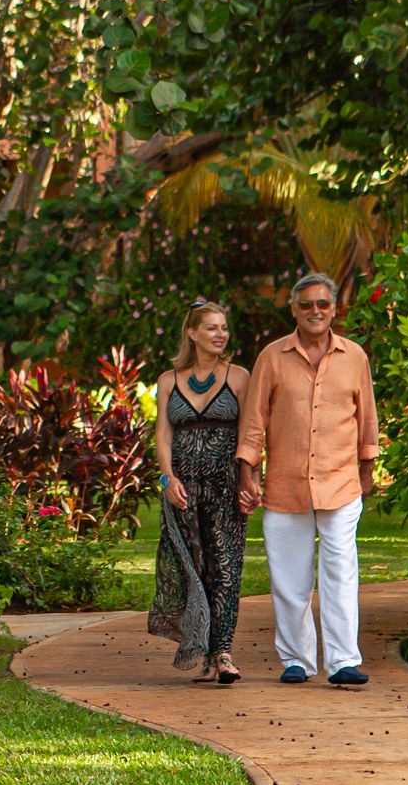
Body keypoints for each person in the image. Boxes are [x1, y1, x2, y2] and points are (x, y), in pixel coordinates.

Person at [236, 272, 380, 687]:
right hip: (285, 484)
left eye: (322, 304)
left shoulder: (354, 356)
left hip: (340, 482)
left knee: (341, 573)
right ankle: (296, 659)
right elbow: (255, 420)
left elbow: (366, 416)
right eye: (306, 305)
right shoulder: (272, 357)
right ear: (294, 310)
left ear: (335, 309)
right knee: (289, 577)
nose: (315, 311)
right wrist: (248, 469)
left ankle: (343, 662)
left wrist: (367, 466)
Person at [148, 300, 251, 684]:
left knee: (225, 567)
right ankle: (204, 652)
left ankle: (223, 652)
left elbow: (249, 432)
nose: (220, 334)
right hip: (183, 488)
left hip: (225, 486)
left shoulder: (239, 377)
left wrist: (247, 478)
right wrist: (167, 479)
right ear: (192, 333)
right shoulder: (168, 380)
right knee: (193, 567)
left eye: (224, 327)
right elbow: (163, 434)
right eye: (212, 328)